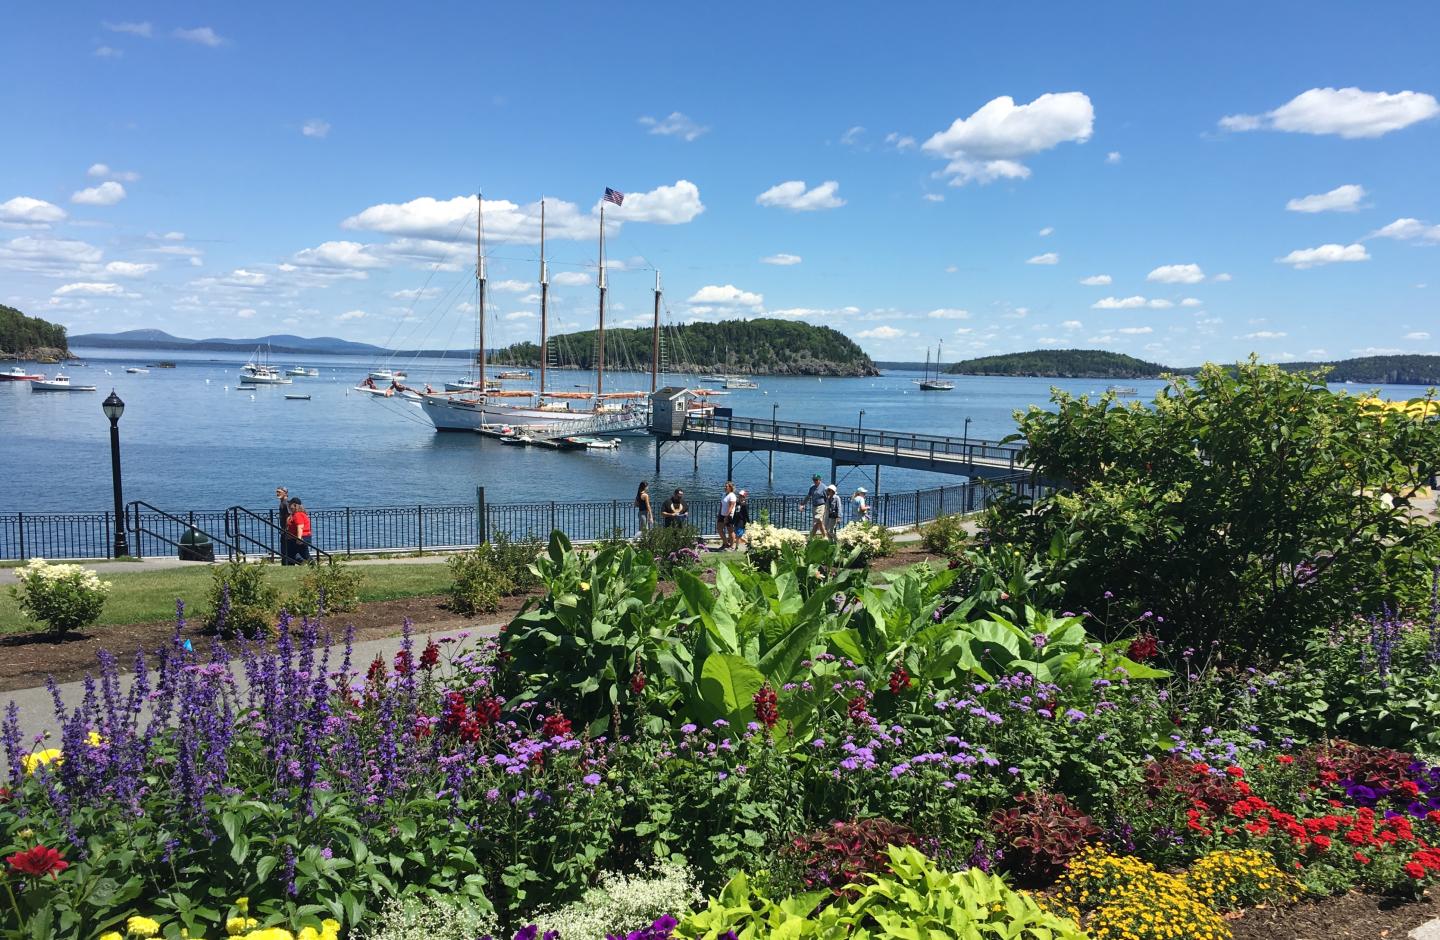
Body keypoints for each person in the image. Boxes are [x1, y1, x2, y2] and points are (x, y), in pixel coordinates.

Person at [285, 496, 313, 564]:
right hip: (295, 537)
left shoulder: (298, 515)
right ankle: (293, 566)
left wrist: (299, 538)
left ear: (295, 505)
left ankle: (314, 566)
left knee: (305, 554)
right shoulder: (296, 514)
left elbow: (300, 527)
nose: (289, 506)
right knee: (291, 554)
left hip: (300, 537)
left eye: (290, 504)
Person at [803, 473, 828, 538]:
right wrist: (802, 504)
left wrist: (827, 507)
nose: (815, 481)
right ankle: (824, 536)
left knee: (818, 520)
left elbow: (827, 498)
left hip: (821, 506)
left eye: (816, 480)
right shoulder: (812, 487)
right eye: (814, 480)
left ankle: (811, 536)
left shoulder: (824, 487)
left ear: (820, 480)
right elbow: (808, 496)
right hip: (814, 507)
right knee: (818, 522)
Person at [276, 486, 295, 564]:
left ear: (285, 493)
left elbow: (289, 516)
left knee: (286, 549)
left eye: (279, 492)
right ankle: (287, 563)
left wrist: (286, 529)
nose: (277, 493)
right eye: (277, 492)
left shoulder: (285, 503)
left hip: (286, 530)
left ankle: (288, 563)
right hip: (284, 529)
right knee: (285, 549)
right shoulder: (283, 503)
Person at [718, 481, 737, 549]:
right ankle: (725, 543)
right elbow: (721, 504)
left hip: (729, 515)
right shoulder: (724, 494)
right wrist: (719, 513)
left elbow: (731, 507)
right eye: (725, 486)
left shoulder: (732, 495)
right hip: (722, 514)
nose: (725, 487)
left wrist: (726, 516)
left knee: (730, 531)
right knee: (719, 529)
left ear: (730, 487)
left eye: (726, 486)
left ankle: (732, 546)